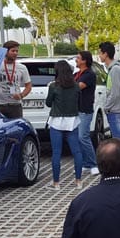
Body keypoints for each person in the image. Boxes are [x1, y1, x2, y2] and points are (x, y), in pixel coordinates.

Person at [46, 60, 83, 188]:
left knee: (56, 152)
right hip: (72, 121)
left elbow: (48, 103)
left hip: (56, 121)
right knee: (76, 152)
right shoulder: (76, 86)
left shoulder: (53, 86)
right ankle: (78, 181)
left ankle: (56, 183)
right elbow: (79, 102)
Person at [75, 51, 99, 176]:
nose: (76, 60)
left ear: (84, 60)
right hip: (76, 109)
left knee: (83, 136)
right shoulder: (77, 74)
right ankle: (86, 163)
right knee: (78, 138)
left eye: (78, 58)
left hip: (85, 109)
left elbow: (78, 86)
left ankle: (94, 164)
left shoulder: (89, 74)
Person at [0, 40, 32, 119]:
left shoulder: (22, 68)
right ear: (6, 52)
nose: (15, 53)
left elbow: (28, 86)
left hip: (15, 105)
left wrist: (21, 95)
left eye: (17, 51)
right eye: (13, 51)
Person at [99, 42, 120, 140]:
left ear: (105, 54)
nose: (99, 56)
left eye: (100, 53)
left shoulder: (115, 70)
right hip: (115, 110)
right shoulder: (113, 69)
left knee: (119, 141)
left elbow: (114, 93)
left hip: (115, 111)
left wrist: (106, 107)